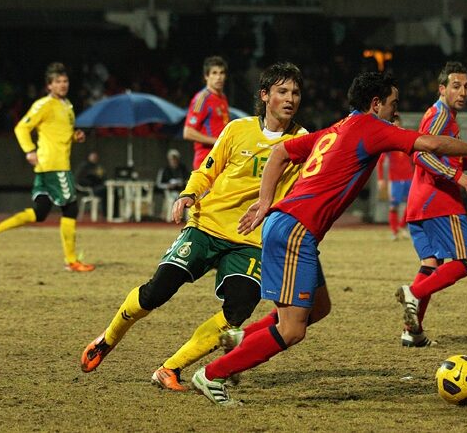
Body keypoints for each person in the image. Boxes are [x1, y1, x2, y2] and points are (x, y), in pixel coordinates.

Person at [191, 71, 467, 405]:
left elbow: (281, 153)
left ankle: (242, 340)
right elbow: (430, 142)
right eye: (393, 105)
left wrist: (267, 202)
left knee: (318, 307)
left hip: (288, 226)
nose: (396, 113)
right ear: (375, 104)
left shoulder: (340, 127)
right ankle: (213, 375)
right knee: (292, 329)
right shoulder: (371, 127)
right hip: (296, 231)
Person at [80, 62, 308, 392]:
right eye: (282, 91)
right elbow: (207, 170)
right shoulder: (237, 129)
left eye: (296, 93)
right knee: (156, 291)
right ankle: (108, 338)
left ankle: (170, 368)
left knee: (238, 310)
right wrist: (188, 194)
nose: (290, 99)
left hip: (252, 238)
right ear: (265, 95)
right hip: (207, 225)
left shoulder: (303, 141)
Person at [398, 61, 467, 348]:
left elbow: (443, 152)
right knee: (465, 262)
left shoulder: (442, 115)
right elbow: (421, 154)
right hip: (438, 200)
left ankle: (412, 331)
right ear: (442, 88)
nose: (463, 91)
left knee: (430, 264)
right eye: (456, 86)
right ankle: (413, 293)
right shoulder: (441, 115)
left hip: (420, 200)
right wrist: (458, 176)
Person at [0, 62, 95, 272]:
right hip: (55, 165)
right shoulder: (44, 104)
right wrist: (29, 150)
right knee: (70, 208)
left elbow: (58, 132)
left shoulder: (67, 105)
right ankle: (71, 261)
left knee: (40, 212)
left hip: (48, 166)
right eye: (57, 82)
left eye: (65, 81)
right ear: (49, 86)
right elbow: (21, 127)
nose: (63, 85)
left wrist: (74, 136)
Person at [183, 56, 230, 170]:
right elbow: (188, 132)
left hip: (221, 159)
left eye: (221, 73)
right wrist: (217, 141)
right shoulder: (202, 99)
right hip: (205, 161)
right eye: (214, 73)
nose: (219, 77)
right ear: (206, 76)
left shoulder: (222, 97)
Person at [376, 115, 413, 240]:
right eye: (393, 124)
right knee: (394, 205)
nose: (396, 127)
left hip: (409, 177)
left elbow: (414, 157)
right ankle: (394, 231)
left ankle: (403, 226)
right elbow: (380, 161)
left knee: (411, 204)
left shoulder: (407, 137)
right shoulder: (388, 141)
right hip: (395, 179)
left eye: (398, 124)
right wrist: (381, 179)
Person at [155, 149, 190, 222]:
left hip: (182, 191)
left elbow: (188, 180)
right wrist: (167, 185)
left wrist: (182, 183)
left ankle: (187, 219)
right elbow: (158, 184)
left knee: (188, 199)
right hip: (169, 192)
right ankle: (171, 219)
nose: (174, 161)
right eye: (172, 159)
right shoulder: (165, 170)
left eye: (175, 159)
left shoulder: (183, 169)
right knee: (172, 199)